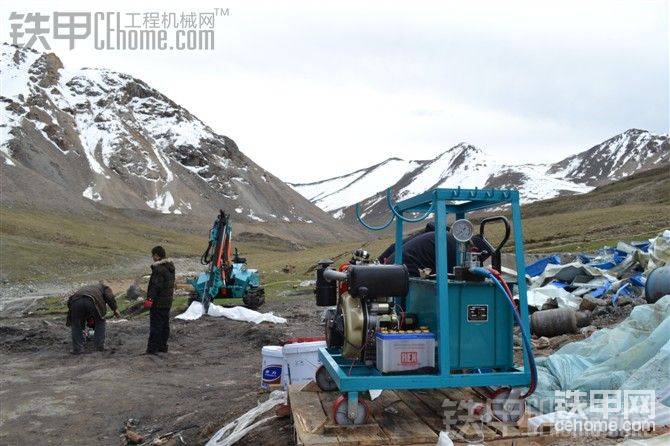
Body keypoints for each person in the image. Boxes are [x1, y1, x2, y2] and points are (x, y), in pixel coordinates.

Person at [66, 283, 120, 354]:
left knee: (76, 324)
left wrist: (73, 315)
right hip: (91, 300)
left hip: (75, 302)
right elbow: (109, 296)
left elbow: (70, 301)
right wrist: (115, 309)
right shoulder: (104, 288)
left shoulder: (85, 288)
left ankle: (78, 349)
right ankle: (99, 346)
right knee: (100, 321)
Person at [146, 246, 175, 354]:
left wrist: (149, 299)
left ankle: (152, 349)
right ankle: (163, 346)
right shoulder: (170, 267)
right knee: (164, 325)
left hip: (158, 303)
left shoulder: (158, 269)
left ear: (157, 256)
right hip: (167, 302)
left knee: (155, 326)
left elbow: (155, 286)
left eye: (153, 255)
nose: (152, 257)